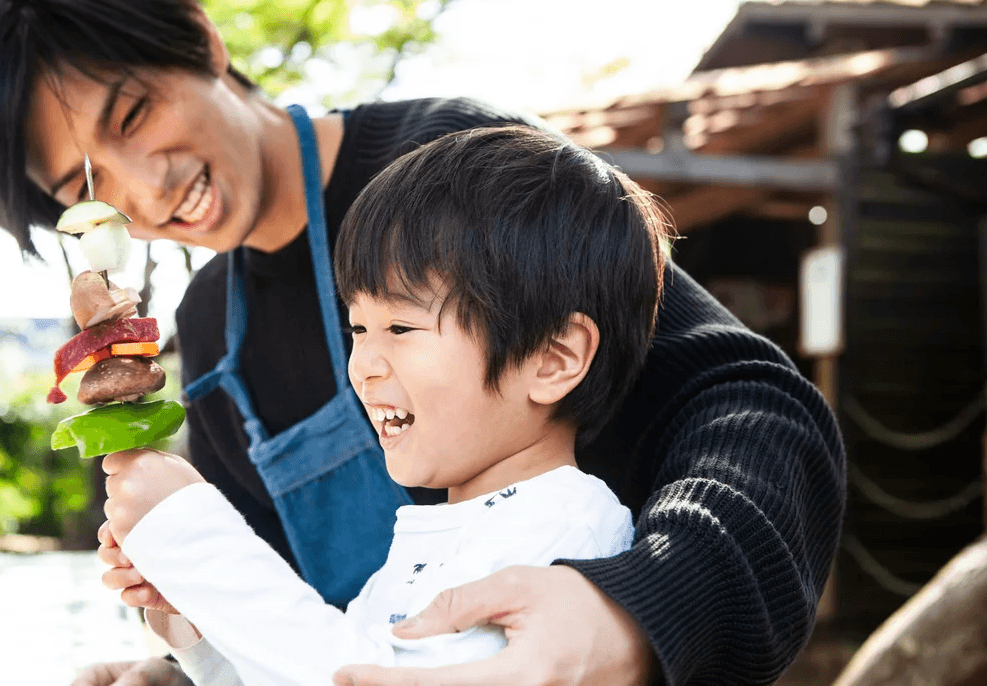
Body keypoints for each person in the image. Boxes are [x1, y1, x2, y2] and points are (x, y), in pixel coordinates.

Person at [0, 0, 847, 684]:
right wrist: (187, 659)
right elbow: (310, 622)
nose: (143, 189)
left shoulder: (451, 172)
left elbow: (754, 407)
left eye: (133, 115)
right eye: (84, 188)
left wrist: (638, 613)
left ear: (202, 43)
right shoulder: (206, 329)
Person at [98, 124, 663, 685]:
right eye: (358, 329)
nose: (362, 364)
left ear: (552, 358)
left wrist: (193, 536)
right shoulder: (434, 534)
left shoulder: (563, 527)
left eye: (399, 325)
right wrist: (194, 621)